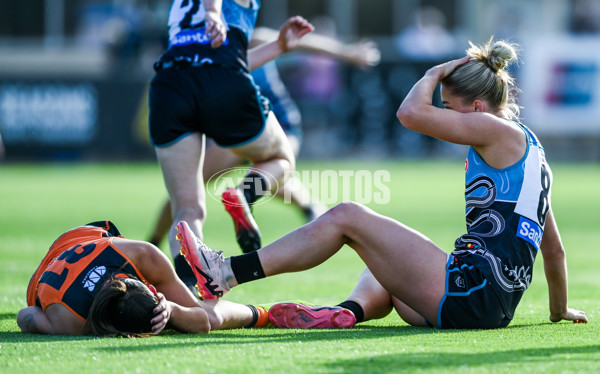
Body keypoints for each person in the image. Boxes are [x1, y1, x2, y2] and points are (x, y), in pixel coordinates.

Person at [174, 38, 588, 329]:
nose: (443, 115)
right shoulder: (533, 154)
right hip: (490, 303)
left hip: (468, 291)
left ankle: (225, 272)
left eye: (449, 108)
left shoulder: (492, 130)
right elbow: (555, 249)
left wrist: (433, 72)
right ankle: (347, 312)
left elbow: (409, 114)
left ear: (477, 109)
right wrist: (560, 310)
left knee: (347, 216)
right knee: (384, 258)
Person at [148, 26, 381, 286]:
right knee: (276, 169)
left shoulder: (227, 43)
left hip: (266, 123)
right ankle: (297, 206)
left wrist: (346, 52)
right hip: (249, 125)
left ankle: (153, 244)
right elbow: (301, 41)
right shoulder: (231, 41)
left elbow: (304, 42)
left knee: (188, 192)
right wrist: (348, 53)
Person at [149, 0, 314, 270]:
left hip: (170, 86)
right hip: (222, 85)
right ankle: (244, 195)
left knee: (188, 209)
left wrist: (278, 47)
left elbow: (228, 58)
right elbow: (221, 64)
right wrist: (213, 11)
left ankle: (191, 290)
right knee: (282, 158)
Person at [17, 221, 270, 336]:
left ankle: (263, 314)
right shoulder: (70, 322)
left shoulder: (142, 254)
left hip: (82, 237)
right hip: (56, 258)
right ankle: (262, 314)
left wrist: (170, 309)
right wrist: (171, 315)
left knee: (204, 314)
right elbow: (23, 315)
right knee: (198, 314)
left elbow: (202, 320)